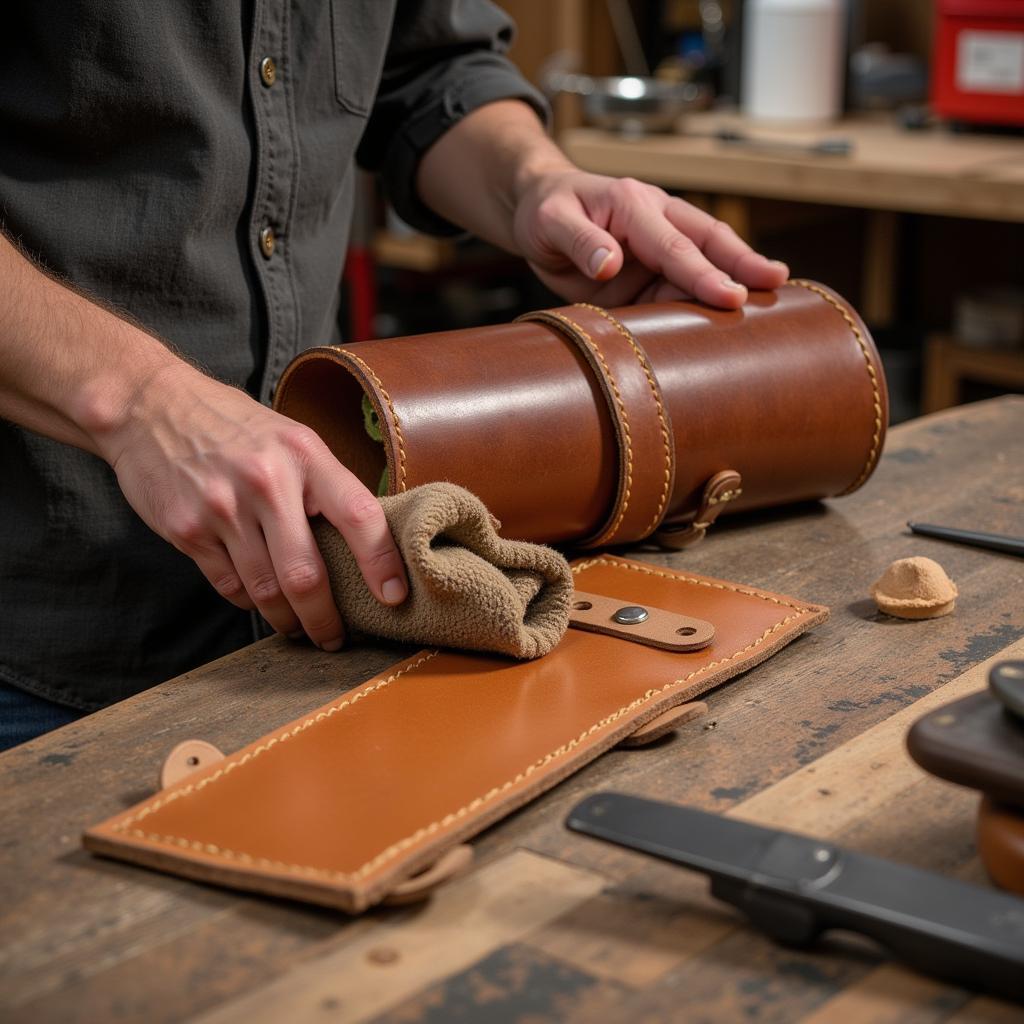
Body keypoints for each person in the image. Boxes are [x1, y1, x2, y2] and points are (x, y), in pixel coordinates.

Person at [0, 1, 788, 750]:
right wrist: (141, 403)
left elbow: (432, 71)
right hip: (43, 642)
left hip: (328, 625)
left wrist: (534, 185)